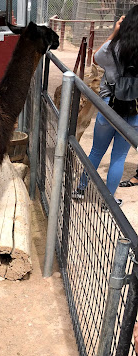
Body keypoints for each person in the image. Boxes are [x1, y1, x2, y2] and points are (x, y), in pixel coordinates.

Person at [72, 7, 138, 207]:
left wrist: (116, 32)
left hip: (109, 107)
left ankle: (81, 189)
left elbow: (96, 58)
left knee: (96, 151)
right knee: (118, 156)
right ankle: (108, 201)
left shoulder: (115, 48)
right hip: (134, 112)